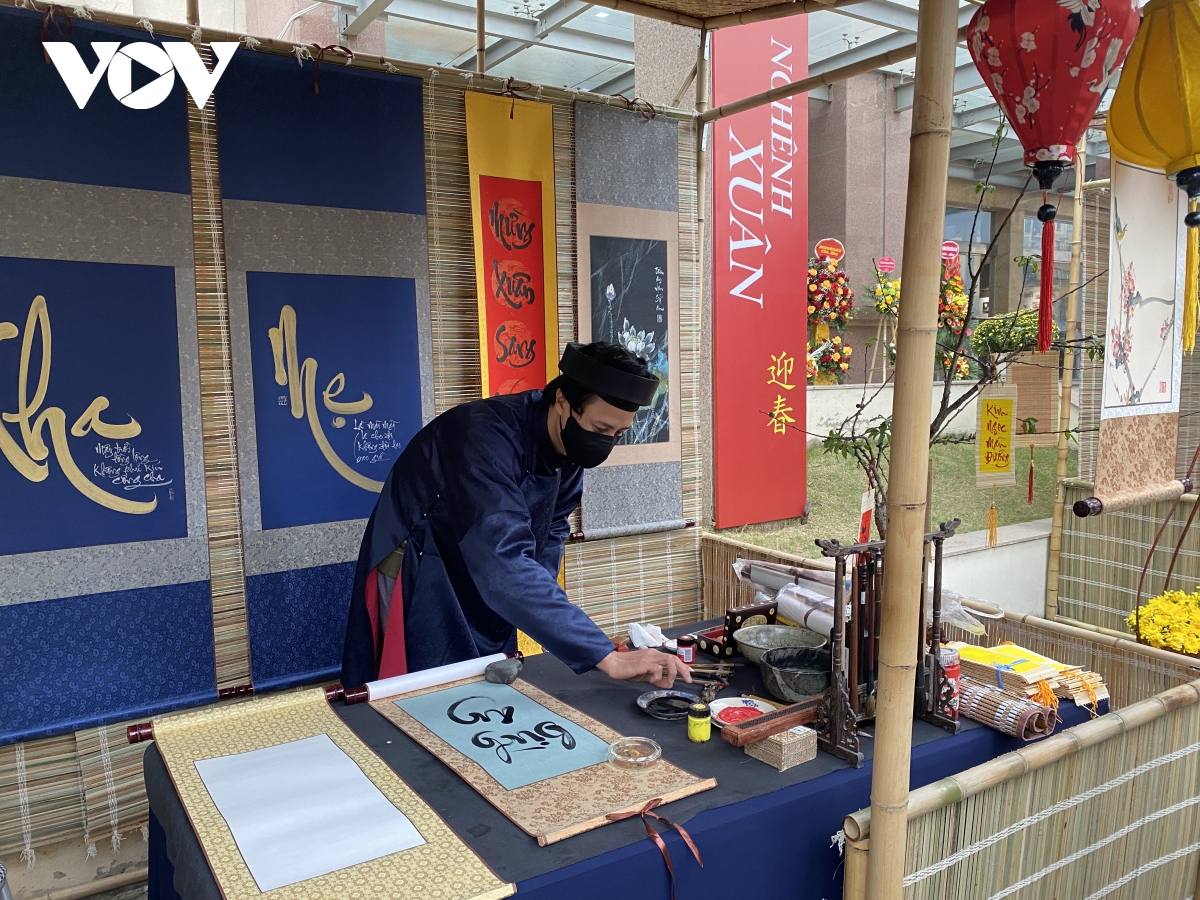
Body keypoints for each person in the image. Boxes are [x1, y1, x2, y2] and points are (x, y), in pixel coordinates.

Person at [340, 341, 692, 692]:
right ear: (563, 403)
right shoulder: (482, 435)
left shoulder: (569, 448)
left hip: (490, 571)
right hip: (425, 565)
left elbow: (552, 531)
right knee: (422, 688)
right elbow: (501, 560)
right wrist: (604, 654)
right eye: (600, 430)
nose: (606, 443)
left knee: (485, 681)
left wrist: (539, 604)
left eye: (618, 434)